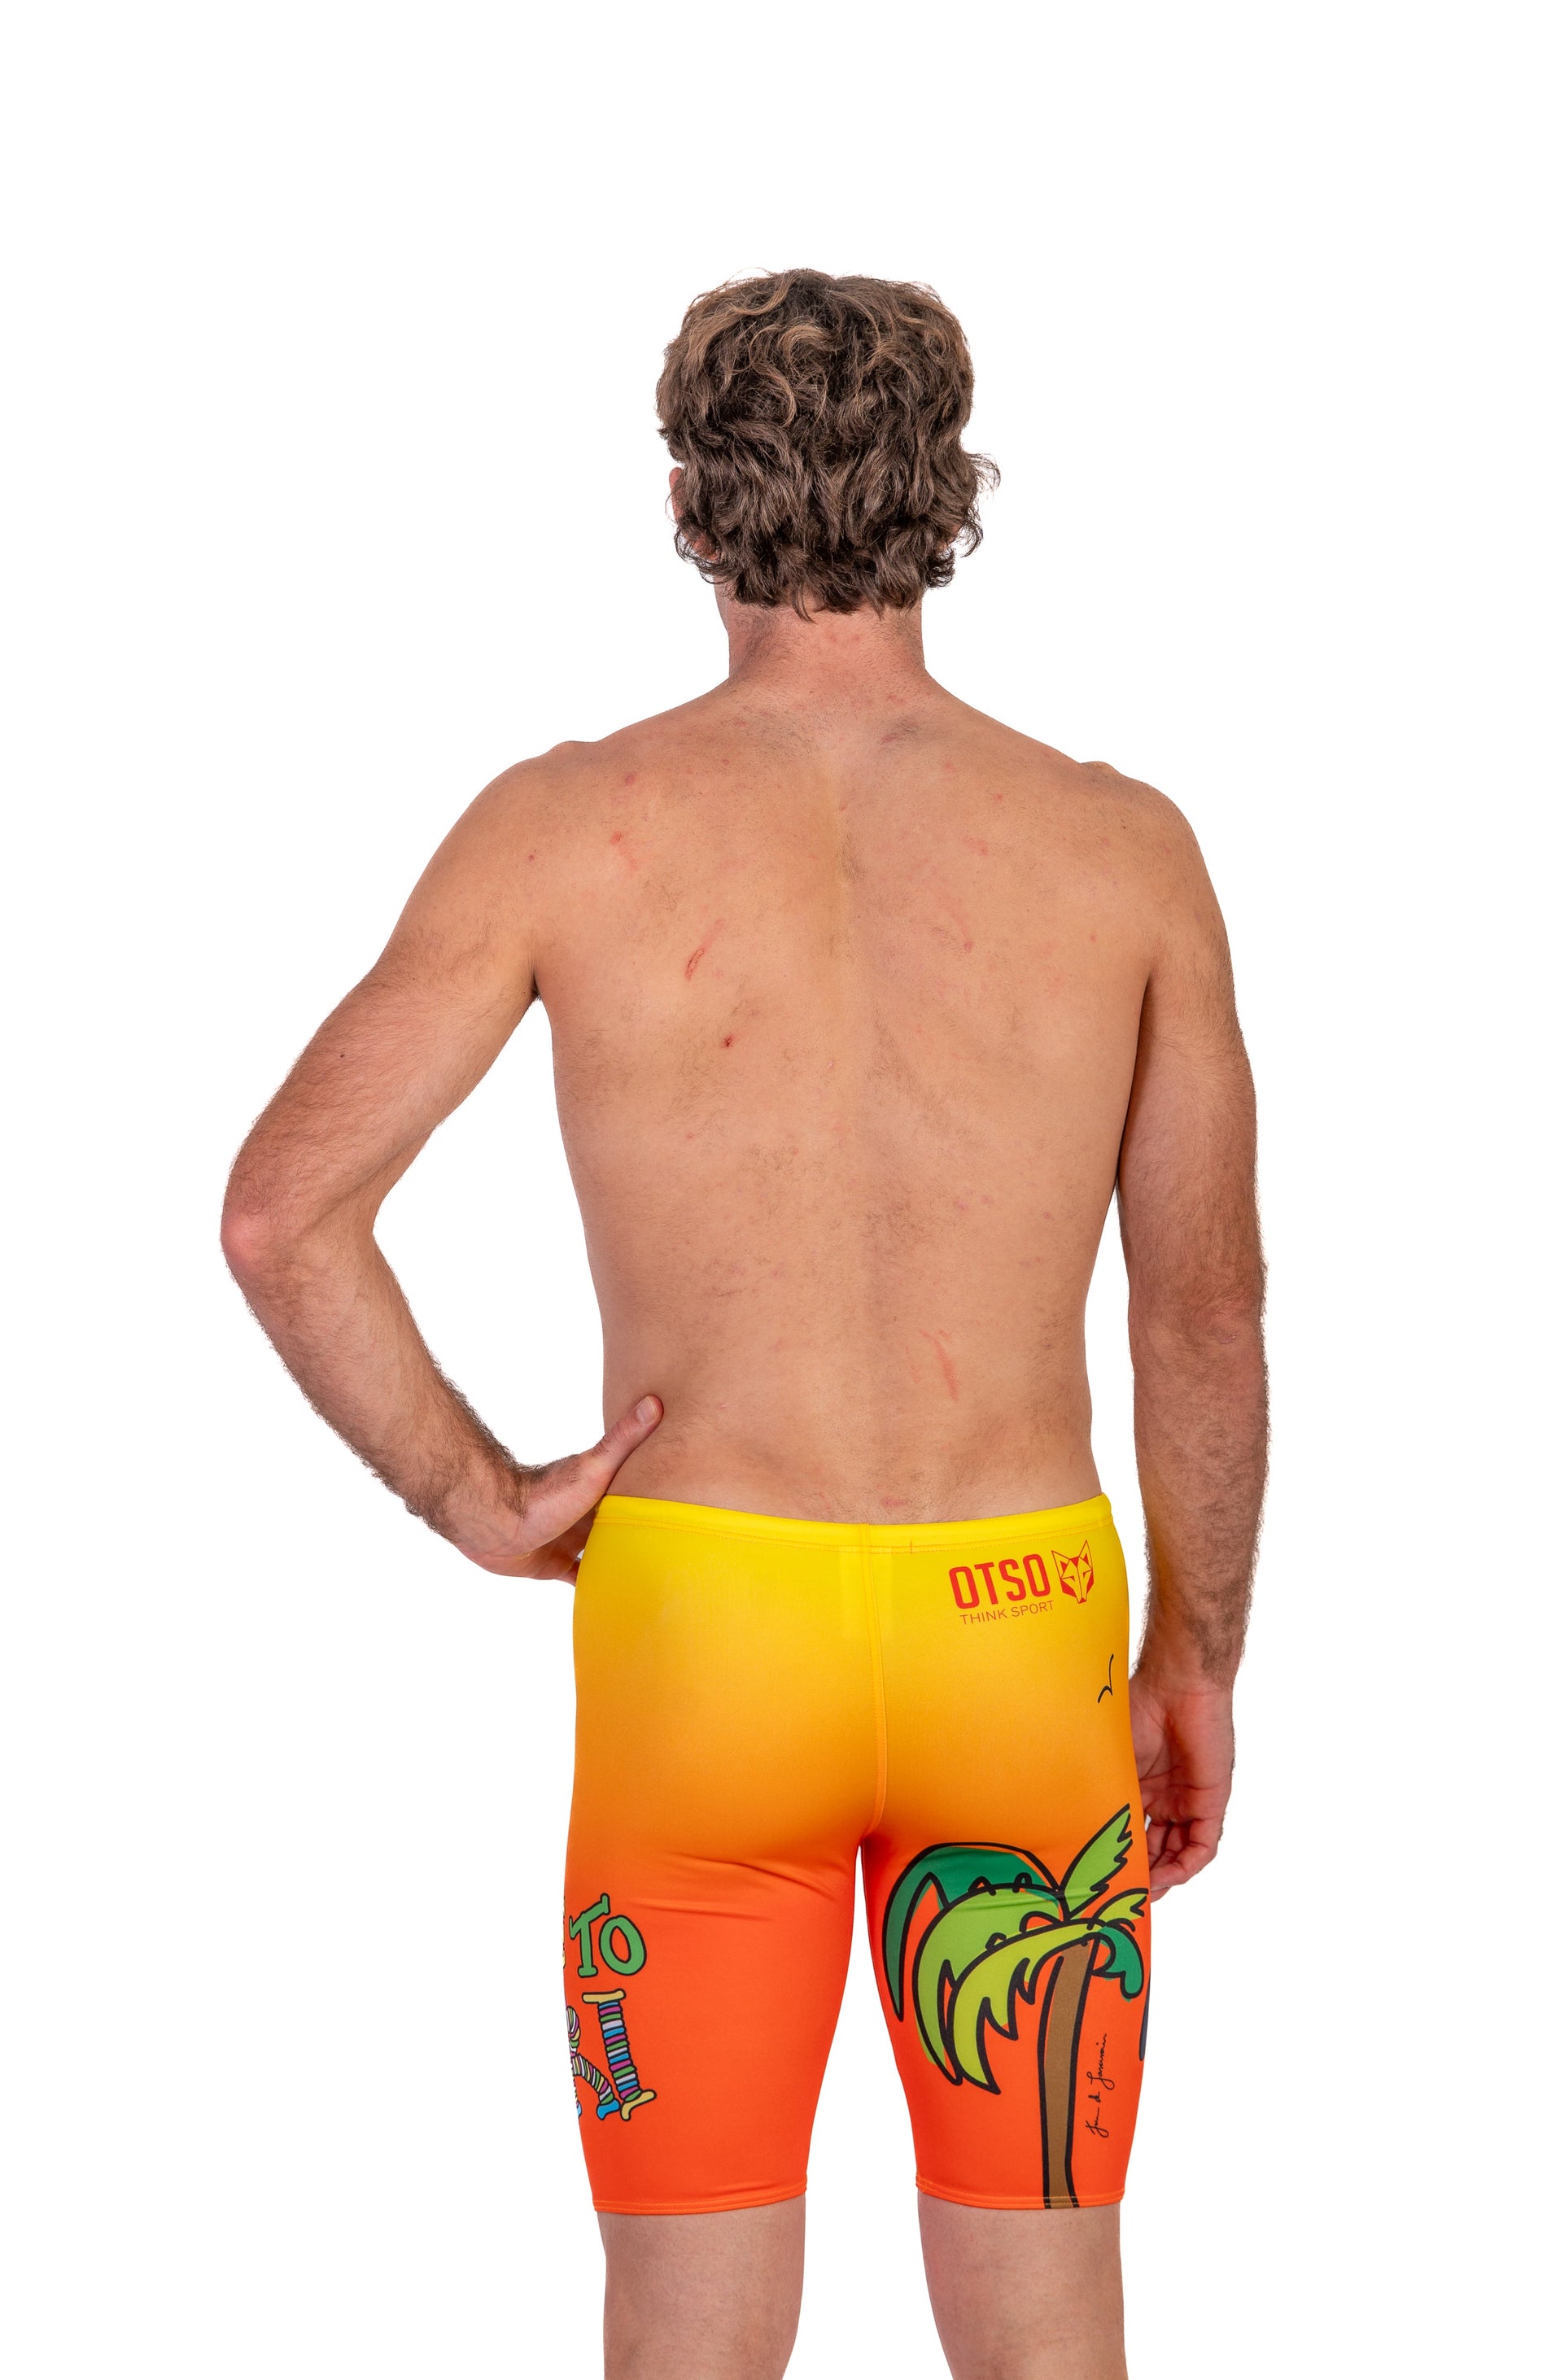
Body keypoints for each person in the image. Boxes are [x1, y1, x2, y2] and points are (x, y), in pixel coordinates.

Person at [222, 269, 1266, 2380]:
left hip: (704, 1642)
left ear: (695, 499)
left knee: (687, 2337)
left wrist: (474, 1496)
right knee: (1048, 2325)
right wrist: (1194, 1655)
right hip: (1016, 1641)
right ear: (949, 490)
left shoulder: (560, 828)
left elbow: (281, 1214)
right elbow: (1203, 1316)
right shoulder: (1120, 849)